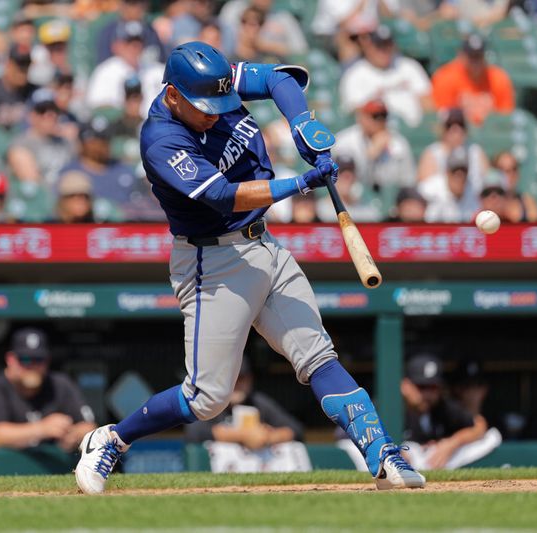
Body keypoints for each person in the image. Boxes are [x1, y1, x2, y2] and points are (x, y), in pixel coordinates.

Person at [74, 41, 425, 494]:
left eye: (221, 103)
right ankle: (112, 439)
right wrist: (300, 183)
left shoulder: (214, 85)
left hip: (264, 246)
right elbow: (223, 196)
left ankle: (383, 456)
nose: (217, 115)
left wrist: (301, 124)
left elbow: (282, 78)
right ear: (174, 95)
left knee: (317, 355)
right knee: (206, 398)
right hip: (212, 261)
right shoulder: (161, 138)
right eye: (205, 108)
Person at [0, 328, 97, 452]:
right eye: (25, 360)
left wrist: (74, 435)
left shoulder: (60, 385)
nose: (32, 366)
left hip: (56, 468)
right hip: (8, 467)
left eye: (38, 360)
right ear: (10, 359)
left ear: (47, 361)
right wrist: (41, 429)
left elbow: (90, 427)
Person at [185, 357, 310, 473]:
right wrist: (242, 435)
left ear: (250, 379)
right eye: (231, 379)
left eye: (241, 378)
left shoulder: (258, 402)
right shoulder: (211, 402)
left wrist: (268, 436)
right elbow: (194, 431)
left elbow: (297, 429)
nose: (236, 384)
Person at [399, 354, 492, 470]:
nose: (428, 394)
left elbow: (479, 424)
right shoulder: (389, 408)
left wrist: (452, 443)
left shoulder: (442, 406)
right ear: (405, 385)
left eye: (433, 387)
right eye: (422, 387)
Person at [58, 120, 163, 220]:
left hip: (126, 227)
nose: (99, 145)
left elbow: (141, 202)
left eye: (103, 139)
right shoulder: (69, 172)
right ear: (83, 142)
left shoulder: (124, 170)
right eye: (94, 140)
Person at [339, 25, 432, 127]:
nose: (384, 50)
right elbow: (355, 112)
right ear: (368, 46)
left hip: (414, 130)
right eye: (379, 46)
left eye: (387, 45)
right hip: (380, 131)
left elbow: (427, 102)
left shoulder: (409, 66)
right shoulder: (355, 74)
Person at [333, 99, 416, 191]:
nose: (380, 121)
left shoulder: (398, 143)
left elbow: (408, 179)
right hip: (355, 196)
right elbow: (344, 179)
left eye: (383, 116)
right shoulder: (345, 140)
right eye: (375, 116)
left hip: (390, 197)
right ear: (362, 117)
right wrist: (370, 155)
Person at [431, 35, 515, 126]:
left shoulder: (498, 78)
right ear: (461, 56)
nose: (475, 62)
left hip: (489, 134)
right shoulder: (445, 77)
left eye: (478, 57)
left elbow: (505, 117)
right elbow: (443, 118)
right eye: (471, 57)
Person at [86, 21, 164, 114]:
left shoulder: (157, 70)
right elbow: (97, 107)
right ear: (116, 45)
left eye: (138, 42)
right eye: (128, 42)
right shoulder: (105, 71)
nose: (134, 47)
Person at [7, 89, 76, 187]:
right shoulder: (21, 145)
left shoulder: (66, 142)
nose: (49, 115)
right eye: (42, 110)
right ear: (31, 116)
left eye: (54, 110)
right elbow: (33, 183)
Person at [417, 107, 489, 190]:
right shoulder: (433, 153)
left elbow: (487, 181)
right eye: (450, 126)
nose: (456, 131)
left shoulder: (476, 152)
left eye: (461, 125)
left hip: (472, 199)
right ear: (443, 129)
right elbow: (424, 186)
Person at [219, 0, 308, 61]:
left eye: (259, 23)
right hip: (236, 58)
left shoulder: (283, 17)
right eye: (245, 22)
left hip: (269, 61)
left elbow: (299, 51)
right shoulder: (234, 9)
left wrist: (265, 45)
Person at [419, 146, 480, 223]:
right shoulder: (430, 188)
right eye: (455, 171)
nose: (460, 175)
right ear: (447, 172)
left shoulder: (473, 189)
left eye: (463, 171)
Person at [315, 155, 384, 222]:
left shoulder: (365, 211)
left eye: (350, 172)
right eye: (341, 172)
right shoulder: (319, 211)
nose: (347, 176)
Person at [96, 0, 166, 65]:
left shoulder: (150, 31)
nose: (136, 8)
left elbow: (160, 59)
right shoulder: (110, 32)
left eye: (139, 4)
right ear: (122, 6)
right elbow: (104, 64)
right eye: (132, 4)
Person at [491, 151, 537, 222]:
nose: (510, 174)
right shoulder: (484, 201)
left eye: (514, 169)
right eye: (502, 170)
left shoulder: (527, 202)